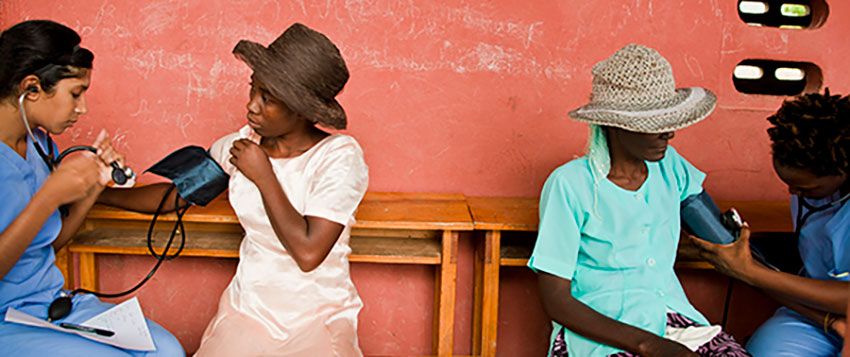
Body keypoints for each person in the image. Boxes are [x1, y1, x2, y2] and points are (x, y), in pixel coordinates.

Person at [97, 23, 369, 356]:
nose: (251, 106)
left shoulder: (339, 157)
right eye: (253, 89)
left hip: (318, 314)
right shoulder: (240, 146)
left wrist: (264, 176)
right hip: (250, 310)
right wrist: (97, 194)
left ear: (301, 109)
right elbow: (174, 196)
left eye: (267, 98)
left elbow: (309, 252)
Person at [528, 44, 749, 356]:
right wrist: (649, 345)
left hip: (674, 320)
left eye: (670, 120)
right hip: (602, 334)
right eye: (655, 124)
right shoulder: (570, 184)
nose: (668, 134)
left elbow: (713, 228)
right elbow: (556, 300)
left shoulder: (671, 167)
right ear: (616, 124)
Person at [0, 19, 184, 356]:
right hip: (6, 321)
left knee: (167, 350)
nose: (82, 108)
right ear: (31, 88)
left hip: (50, 305)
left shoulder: (40, 144)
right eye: (75, 94)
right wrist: (50, 195)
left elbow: (49, 243)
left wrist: (93, 189)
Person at [693, 91, 850, 356]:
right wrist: (829, 322)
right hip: (817, 313)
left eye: (805, 188)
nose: (793, 194)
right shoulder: (813, 194)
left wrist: (750, 272)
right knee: (767, 351)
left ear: (843, 171)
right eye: (788, 184)